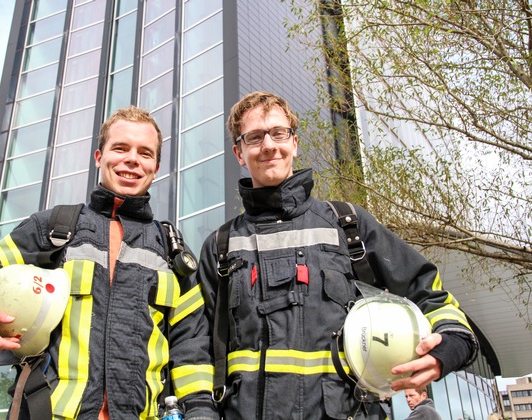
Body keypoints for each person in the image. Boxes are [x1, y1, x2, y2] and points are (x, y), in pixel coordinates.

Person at [194, 91, 478, 419]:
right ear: (239, 153)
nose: (269, 145)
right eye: (255, 137)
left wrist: (453, 341)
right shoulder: (220, 246)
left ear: (294, 143)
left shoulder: (349, 225)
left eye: (279, 133)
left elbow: (428, 290)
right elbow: (195, 346)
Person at [0, 106, 218, 419]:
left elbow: (191, 346)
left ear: (156, 166)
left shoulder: (171, 251)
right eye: (120, 148)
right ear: (99, 157)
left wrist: (200, 412)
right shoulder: (52, 229)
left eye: (145, 153)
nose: (132, 159)